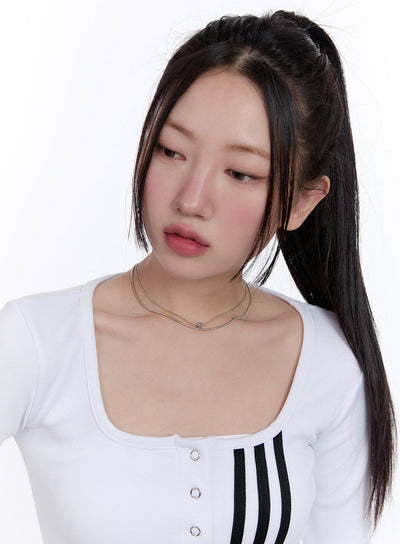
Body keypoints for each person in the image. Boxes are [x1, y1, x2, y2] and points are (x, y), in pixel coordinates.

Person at [0, 9, 396, 544]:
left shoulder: (327, 361)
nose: (191, 199)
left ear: (302, 202)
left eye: (241, 173)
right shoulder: (37, 341)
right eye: (171, 150)